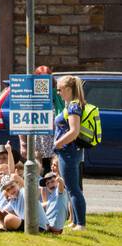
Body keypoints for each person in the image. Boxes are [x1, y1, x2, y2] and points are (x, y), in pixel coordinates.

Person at [53, 74, 87, 229]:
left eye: (60, 89)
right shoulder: (70, 105)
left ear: (68, 89)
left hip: (69, 152)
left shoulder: (73, 106)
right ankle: (74, 221)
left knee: (73, 189)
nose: (58, 92)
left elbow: (74, 131)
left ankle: (81, 224)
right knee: (71, 187)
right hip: (68, 152)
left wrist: (58, 144)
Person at [39, 167, 69, 235]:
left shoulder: (59, 192)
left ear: (56, 182)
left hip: (52, 226)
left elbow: (61, 187)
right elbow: (44, 204)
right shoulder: (52, 196)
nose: (50, 185)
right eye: (47, 183)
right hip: (50, 225)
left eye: (52, 181)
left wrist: (60, 181)